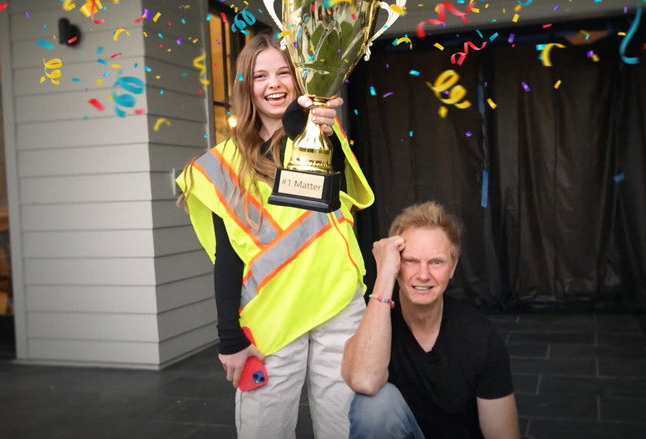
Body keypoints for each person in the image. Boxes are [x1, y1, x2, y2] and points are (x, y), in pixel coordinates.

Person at [176, 34, 374, 438]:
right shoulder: (222, 164)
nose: (274, 84)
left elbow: (339, 188)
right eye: (260, 75)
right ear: (246, 87)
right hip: (271, 313)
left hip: (337, 301)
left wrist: (312, 125)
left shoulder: (322, 134)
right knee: (263, 427)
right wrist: (229, 338)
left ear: (299, 80)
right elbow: (228, 257)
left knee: (343, 425)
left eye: (284, 72)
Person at [341, 202, 520, 439]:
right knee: (374, 406)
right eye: (410, 261)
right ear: (396, 264)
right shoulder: (375, 317)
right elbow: (364, 380)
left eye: (436, 262)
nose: (423, 275)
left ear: (453, 267)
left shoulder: (480, 336)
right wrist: (384, 275)